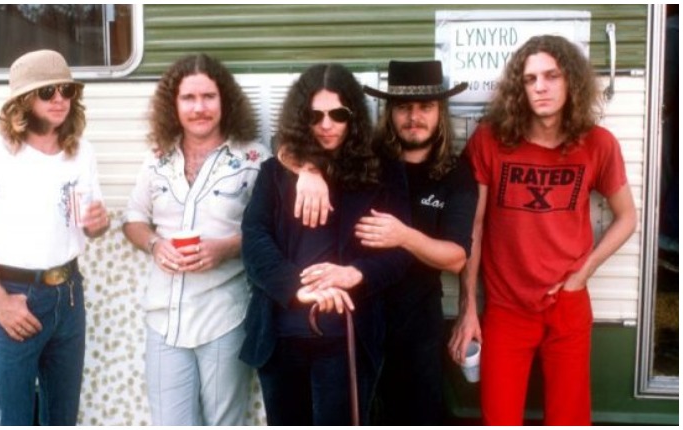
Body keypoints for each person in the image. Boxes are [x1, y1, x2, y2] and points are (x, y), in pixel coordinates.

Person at [448, 35, 637, 425]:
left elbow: (627, 218)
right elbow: (476, 227)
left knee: (569, 419)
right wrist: (468, 308)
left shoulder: (597, 144)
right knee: (499, 418)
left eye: (551, 76)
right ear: (520, 88)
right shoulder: (491, 140)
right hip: (505, 306)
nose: (541, 87)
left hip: (567, 304)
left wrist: (582, 274)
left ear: (571, 82)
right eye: (530, 79)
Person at [284, 60, 478, 424]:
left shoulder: (454, 173)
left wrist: (404, 236)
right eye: (404, 107)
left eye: (425, 107)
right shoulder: (366, 159)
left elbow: (455, 258)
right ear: (389, 112)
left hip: (416, 319)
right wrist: (306, 170)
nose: (414, 117)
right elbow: (293, 143)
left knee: (418, 413)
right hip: (358, 312)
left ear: (440, 113)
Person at [240, 63, 413, 425]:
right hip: (283, 334)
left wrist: (354, 272)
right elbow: (254, 242)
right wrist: (297, 287)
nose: (326, 124)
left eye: (338, 114)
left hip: (347, 336)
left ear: (353, 117)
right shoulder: (275, 172)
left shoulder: (382, 173)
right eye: (314, 115)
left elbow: (399, 255)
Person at [0, 49, 110, 425]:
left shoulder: (80, 151)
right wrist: (0, 302)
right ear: (23, 100)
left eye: (67, 91)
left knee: (61, 418)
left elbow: (90, 227)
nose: (59, 100)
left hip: (69, 295)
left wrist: (98, 222)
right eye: (48, 91)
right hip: (15, 296)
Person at [122, 53, 270, 426]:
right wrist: (156, 245)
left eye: (208, 97)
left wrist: (226, 248)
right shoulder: (156, 159)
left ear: (225, 101)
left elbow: (269, 231)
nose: (199, 108)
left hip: (225, 316)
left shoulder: (254, 158)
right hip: (164, 319)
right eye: (188, 98)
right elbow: (133, 219)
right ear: (174, 105)